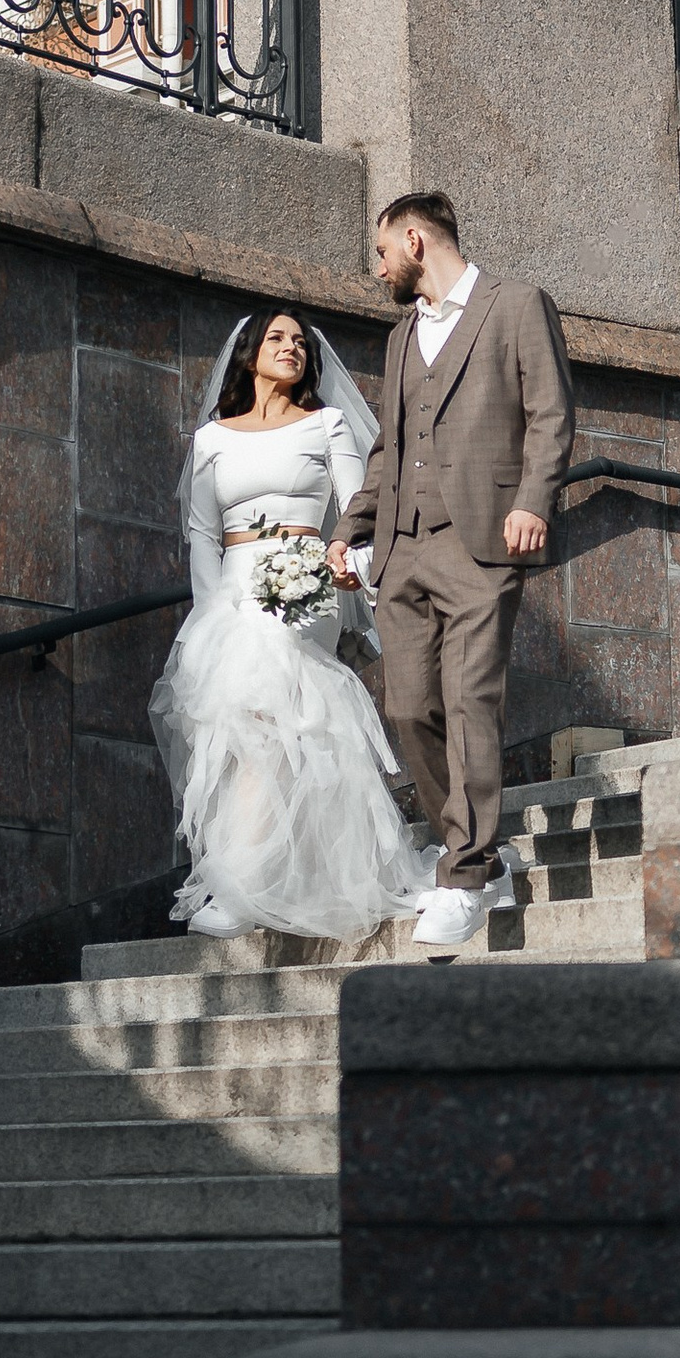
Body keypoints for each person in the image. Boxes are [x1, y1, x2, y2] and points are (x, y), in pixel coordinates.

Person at [329, 192, 574, 953]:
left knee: (471, 700)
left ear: (414, 240)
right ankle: (479, 851)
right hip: (403, 550)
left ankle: (464, 873)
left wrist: (534, 499)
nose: (377, 271)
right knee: (406, 709)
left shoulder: (517, 305)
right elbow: (387, 449)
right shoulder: (403, 337)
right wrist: (353, 529)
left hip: (481, 543)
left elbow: (551, 414)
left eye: (380, 255)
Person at [150, 303, 438, 941]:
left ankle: (239, 888)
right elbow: (201, 532)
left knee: (268, 710)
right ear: (249, 355)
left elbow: (358, 507)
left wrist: (344, 566)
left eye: (300, 341)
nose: (293, 347)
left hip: (302, 580)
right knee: (243, 730)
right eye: (277, 338)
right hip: (230, 589)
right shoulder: (212, 440)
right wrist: (208, 614)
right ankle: (263, 874)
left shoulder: (327, 424)